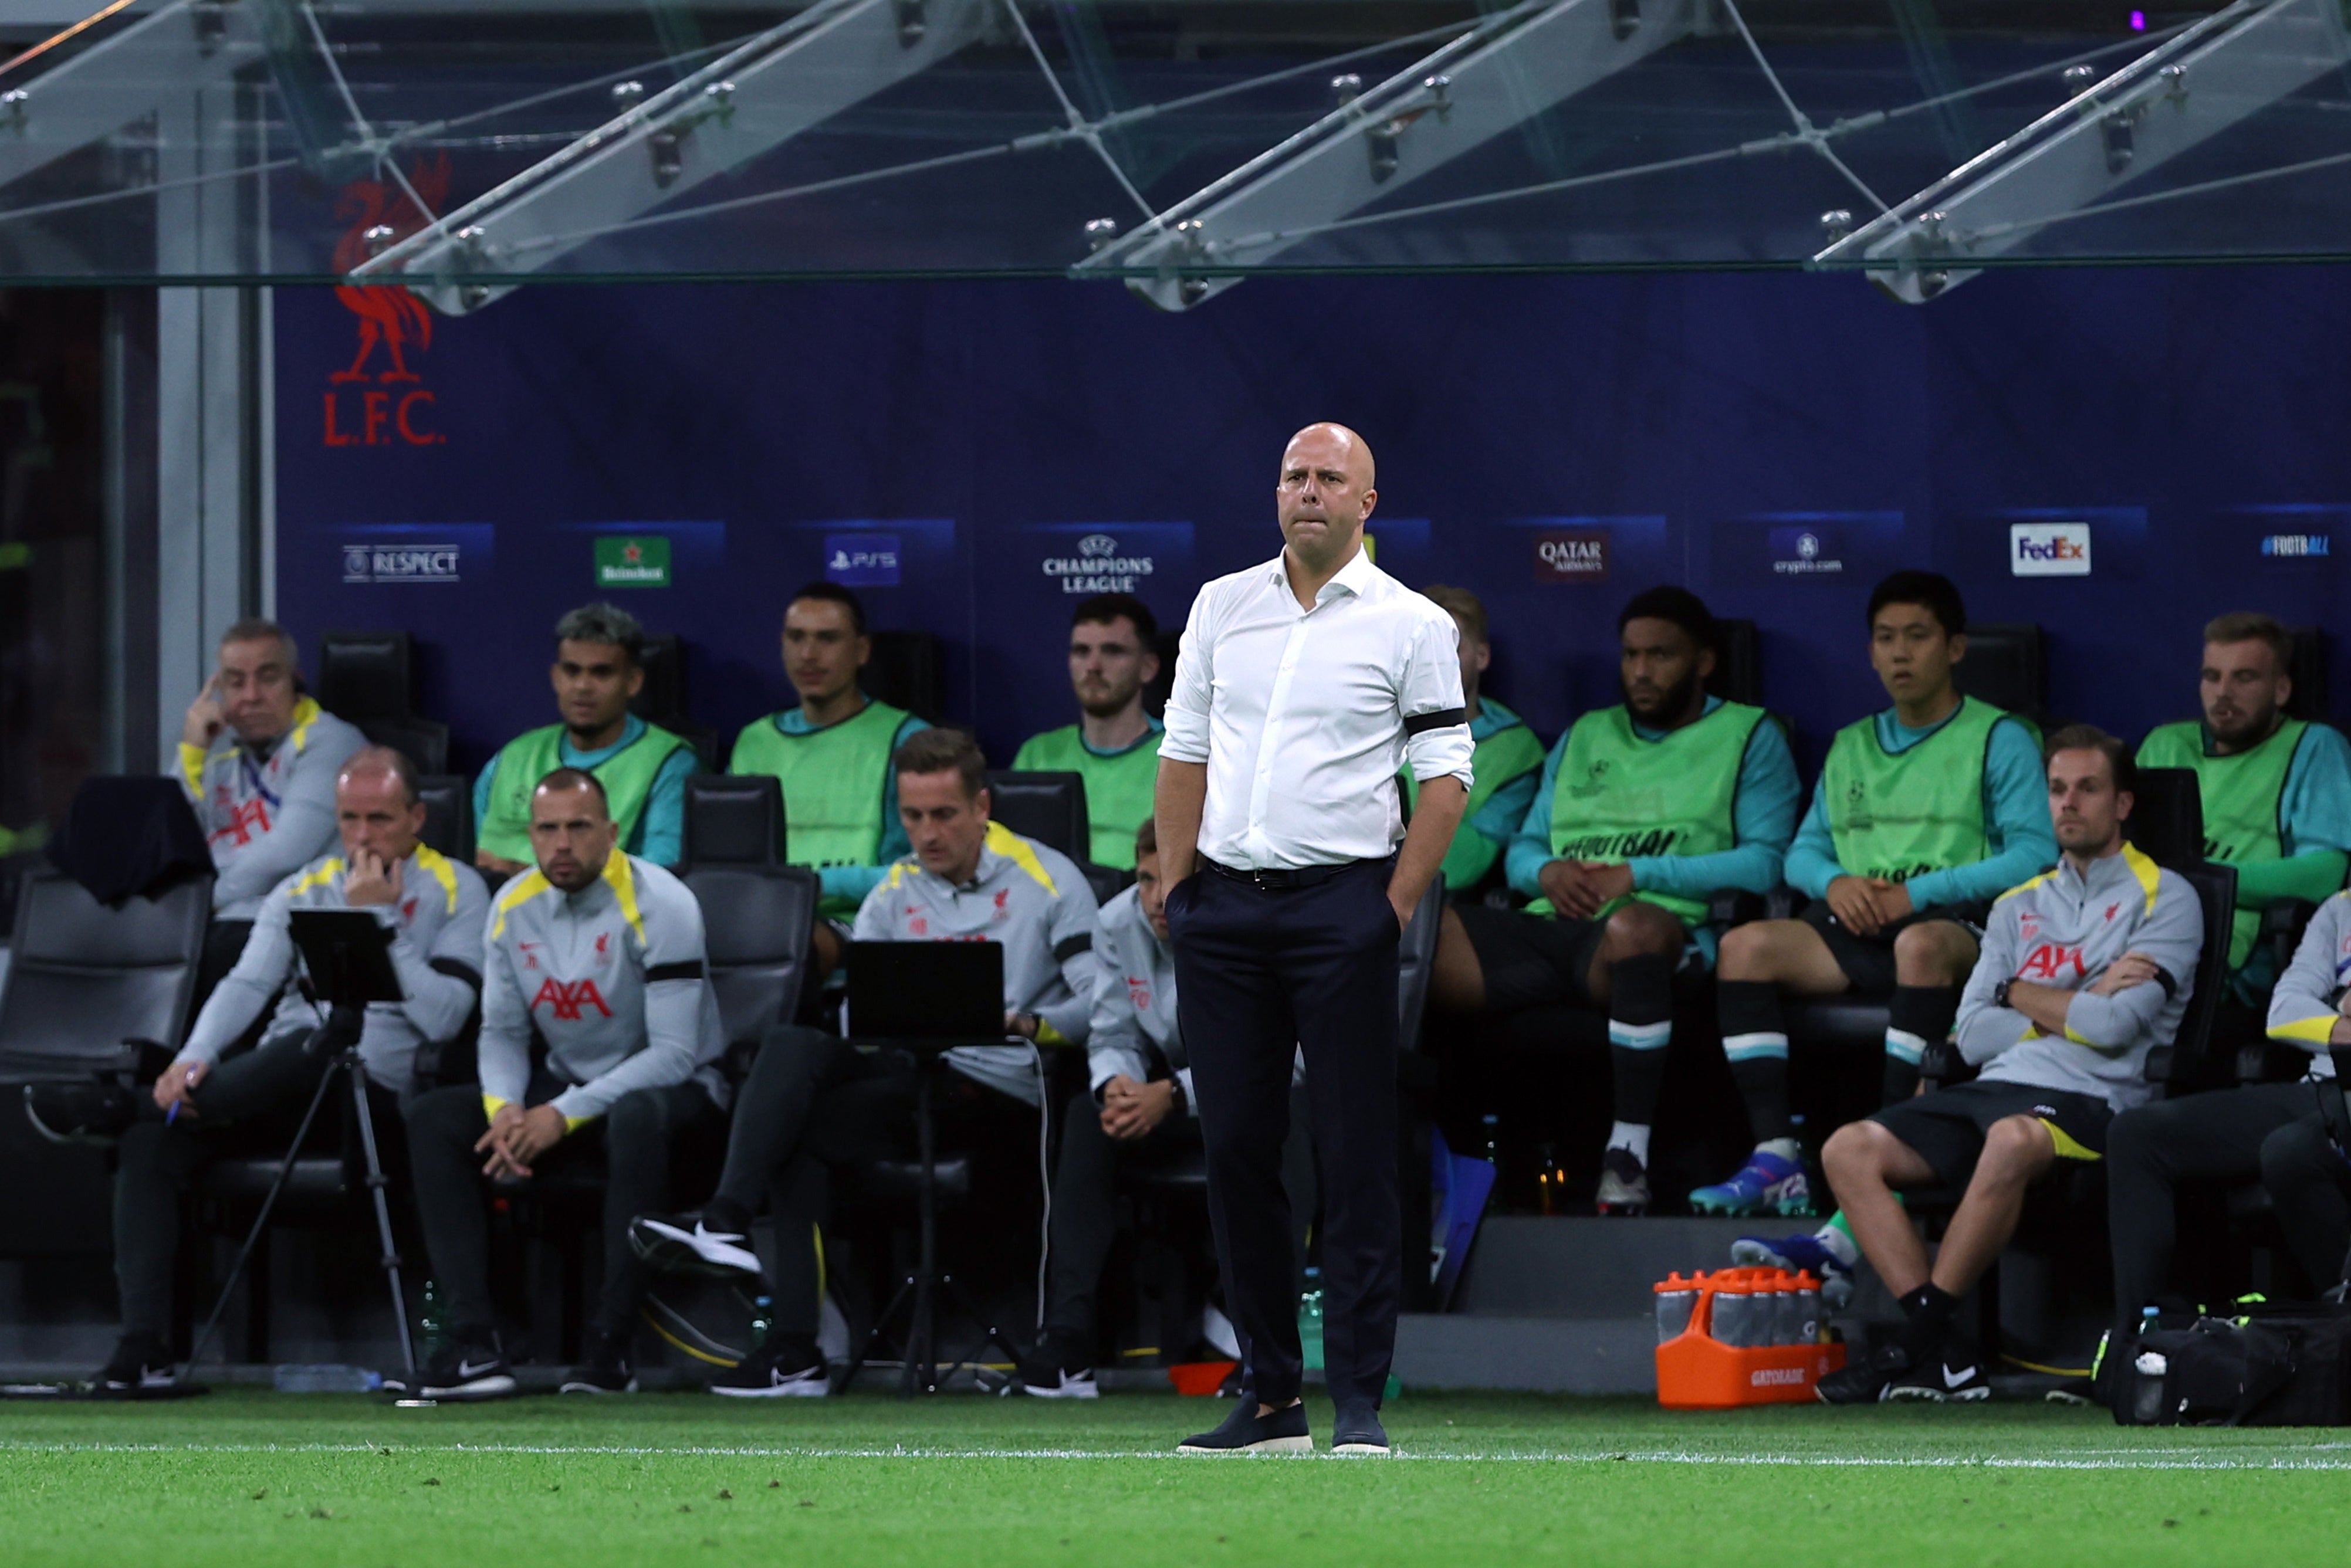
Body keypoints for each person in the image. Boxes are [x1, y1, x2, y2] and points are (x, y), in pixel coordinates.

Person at [1155, 421, 1470, 1457]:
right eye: (1293, 474)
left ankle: (1361, 1400)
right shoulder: (1220, 603)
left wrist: (1389, 906)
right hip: (1223, 911)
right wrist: (1177, 883)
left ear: (1366, 503)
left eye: (1330, 478)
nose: (1308, 491)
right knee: (1238, 1146)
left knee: (1352, 1153)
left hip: (1343, 906)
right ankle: (1272, 1396)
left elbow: (1446, 779)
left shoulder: (1410, 621)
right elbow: (1184, 749)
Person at [625, 728, 1101, 1396]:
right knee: (795, 1058)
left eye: (944, 815)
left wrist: (1033, 1024)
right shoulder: (896, 892)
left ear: (982, 806)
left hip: (1000, 1089)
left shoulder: (1048, 880)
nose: (927, 834)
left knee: (801, 1126)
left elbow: (1103, 1004)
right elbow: (856, 1013)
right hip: (911, 1074)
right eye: (912, 817)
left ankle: (759, 1284)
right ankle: (764, 1290)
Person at [32, 748, 486, 1395]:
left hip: (377, 1101)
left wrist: (379, 918)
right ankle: (144, 1349)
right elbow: (247, 986)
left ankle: (122, 1105)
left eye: (379, 819)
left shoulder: (458, 889)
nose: (361, 835)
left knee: (323, 1044)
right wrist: (193, 1059)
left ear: (416, 818)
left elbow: (446, 1018)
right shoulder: (302, 887)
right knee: (154, 1140)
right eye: (349, 818)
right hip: (269, 1088)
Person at [1815, 727, 2201, 1403]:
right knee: (1847, 1147)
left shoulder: (2167, 897)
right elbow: (1971, 1036)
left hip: (2096, 1100)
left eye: (2087, 788)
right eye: (2056, 789)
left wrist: (2013, 992)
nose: (2067, 804)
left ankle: (1913, 1345)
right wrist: (2062, 1000)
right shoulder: (2015, 907)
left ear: (2121, 804)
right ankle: (1943, 1350)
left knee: (2011, 1137)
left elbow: (2113, 1030)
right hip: (1996, 1087)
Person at [1431, 586, 1801, 1214]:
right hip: (1551, 928)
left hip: (1656, 936)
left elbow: (1766, 859)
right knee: (1410, 929)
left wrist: (1637, 873)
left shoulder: (1749, 734)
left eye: (1659, 656)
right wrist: (1545, 874)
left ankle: (1624, 1159)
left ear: (1703, 662)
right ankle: (1415, 1173)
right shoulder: (1584, 734)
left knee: (1632, 928)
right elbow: (1522, 849)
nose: (1640, 672)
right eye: (1630, 656)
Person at [1700, 571, 2055, 1224]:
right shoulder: (1852, 743)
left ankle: (1887, 1152)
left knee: (1919, 945)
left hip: (1953, 925)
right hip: (1856, 921)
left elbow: (2035, 854)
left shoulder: (1999, 736)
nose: (1899, 653)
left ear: (1953, 648)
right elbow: (1801, 853)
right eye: (1885, 638)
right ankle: (1777, 1158)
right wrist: (1834, 883)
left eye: (1916, 637)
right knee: (1744, 946)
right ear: (1868, 651)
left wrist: (1915, 893)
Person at [400, 768, 727, 1400]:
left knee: (635, 1115)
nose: (562, 844)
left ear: (611, 832)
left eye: (579, 828)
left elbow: (674, 1055)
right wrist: (505, 1111)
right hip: (573, 1091)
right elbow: (500, 1034)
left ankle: (611, 1346)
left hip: (681, 1102)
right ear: (530, 837)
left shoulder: (664, 904)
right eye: (548, 830)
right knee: (436, 1117)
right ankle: (476, 1343)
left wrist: (560, 1115)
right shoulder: (513, 906)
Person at [1012, 817, 1315, 1398]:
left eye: (1172, 878)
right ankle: (1068, 1342)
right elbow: (1111, 1034)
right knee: (1085, 1116)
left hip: (1260, 1097)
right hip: (1178, 1097)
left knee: (1282, 1119)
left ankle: (1254, 1347)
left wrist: (1175, 1094)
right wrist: (1118, 1089)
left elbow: (1288, 1056)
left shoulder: (1255, 924)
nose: (1156, 897)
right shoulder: (1117, 921)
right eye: (1145, 878)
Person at [2105, 888, 2351, 1342]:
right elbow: (2283, 1013)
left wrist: (2332, 1010)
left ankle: (2336, 1336)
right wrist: (2341, 1018)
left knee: (2291, 1150)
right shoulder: (2340, 909)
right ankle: (2140, 1348)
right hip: (2323, 1085)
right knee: (2137, 1133)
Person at [2136, 612, 2351, 1004]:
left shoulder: (2314, 746)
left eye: (2244, 677)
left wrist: (2201, 879)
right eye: (2211, 676)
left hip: (2229, 954)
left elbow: (2324, 875)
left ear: (2281, 689)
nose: (2223, 692)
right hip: (2131, 930)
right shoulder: (2163, 744)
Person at [727, 581, 929, 970]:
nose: (808, 654)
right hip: (760, 916)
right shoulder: (753, 740)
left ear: (861, 650)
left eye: (828, 639)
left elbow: (928, 869)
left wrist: (818, 885)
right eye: (796, 637)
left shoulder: (907, 740)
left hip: (867, 920)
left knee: (795, 942)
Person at [174, 619, 366, 992]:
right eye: (236, 682)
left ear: (296, 683)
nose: (251, 696)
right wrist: (192, 753)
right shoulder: (221, 759)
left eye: (268, 678)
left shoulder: (332, 742)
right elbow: (168, 842)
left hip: (300, 924)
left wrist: (193, 907)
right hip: (223, 921)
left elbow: (285, 852)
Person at [473, 603, 697, 877]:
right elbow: (475, 860)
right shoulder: (511, 758)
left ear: (634, 682)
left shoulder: (670, 763)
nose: (583, 686)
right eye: (572, 671)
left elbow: (659, 875)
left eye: (601, 673)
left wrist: (519, 873)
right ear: (556, 678)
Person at [1408, 585, 1546, 899]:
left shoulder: (1517, 751)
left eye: (1451, 648)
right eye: (1424, 650)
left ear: (1481, 657)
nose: (1435, 664)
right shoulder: (1374, 727)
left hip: (1445, 906)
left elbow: (1465, 867)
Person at [1012, 592, 1164, 871]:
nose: (1093, 666)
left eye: (1113, 651)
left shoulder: (1176, 755)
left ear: (1148, 668)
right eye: (1082, 651)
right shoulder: (1037, 753)